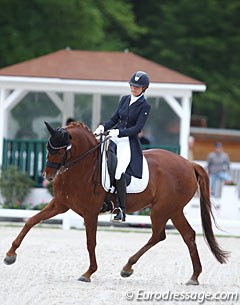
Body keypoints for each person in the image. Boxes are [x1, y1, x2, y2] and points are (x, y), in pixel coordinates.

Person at [94, 71, 151, 222]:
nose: (133, 88)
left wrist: (118, 132)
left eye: (137, 87)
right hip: (113, 138)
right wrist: (102, 127)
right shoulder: (124, 99)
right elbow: (114, 118)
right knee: (100, 163)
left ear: (144, 88)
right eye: (132, 85)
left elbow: (137, 129)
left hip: (127, 142)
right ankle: (102, 200)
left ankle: (121, 209)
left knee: (119, 172)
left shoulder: (145, 106)